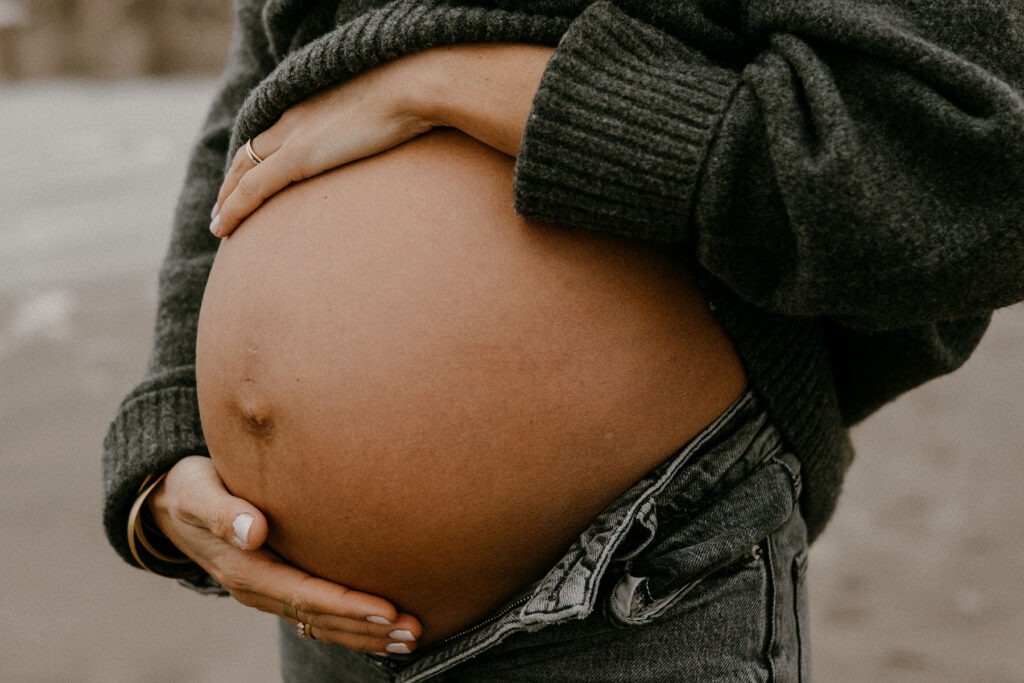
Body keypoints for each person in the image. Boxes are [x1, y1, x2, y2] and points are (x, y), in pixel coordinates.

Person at [103, 1, 1024, 680]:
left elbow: (975, 170)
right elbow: (258, 100)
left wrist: (468, 85)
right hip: (323, 619)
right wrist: (173, 432)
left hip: (629, 588)